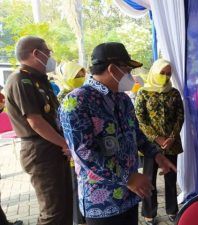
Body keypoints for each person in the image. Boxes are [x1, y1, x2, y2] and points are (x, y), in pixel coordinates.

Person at [59, 42, 176, 225]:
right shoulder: (76, 102)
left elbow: (136, 132)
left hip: (130, 195)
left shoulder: (122, 99)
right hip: (103, 202)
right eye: (127, 69)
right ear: (113, 69)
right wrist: (127, 177)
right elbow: (85, 152)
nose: (131, 75)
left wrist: (156, 155)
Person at [4, 36, 72, 225]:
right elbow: (35, 122)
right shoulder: (20, 80)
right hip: (40, 151)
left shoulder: (40, 80)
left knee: (65, 207)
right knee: (53, 212)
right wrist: (65, 144)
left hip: (53, 147)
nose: (50, 55)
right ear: (36, 53)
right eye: (48, 52)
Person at [134, 59, 184, 224]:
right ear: (155, 71)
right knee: (148, 179)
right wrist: (156, 138)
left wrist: (171, 137)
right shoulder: (143, 93)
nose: (165, 76)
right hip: (149, 145)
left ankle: (172, 210)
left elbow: (180, 117)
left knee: (170, 178)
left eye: (168, 73)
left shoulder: (174, 93)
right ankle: (149, 212)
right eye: (162, 72)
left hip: (172, 143)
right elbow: (140, 119)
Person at [55, 61, 87, 225]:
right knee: (75, 188)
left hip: (85, 149)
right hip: (70, 150)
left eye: (82, 75)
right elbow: (59, 126)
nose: (81, 78)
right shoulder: (61, 98)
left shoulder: (85, 94)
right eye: (77, 76)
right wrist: (67, 146)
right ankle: (78, 220)